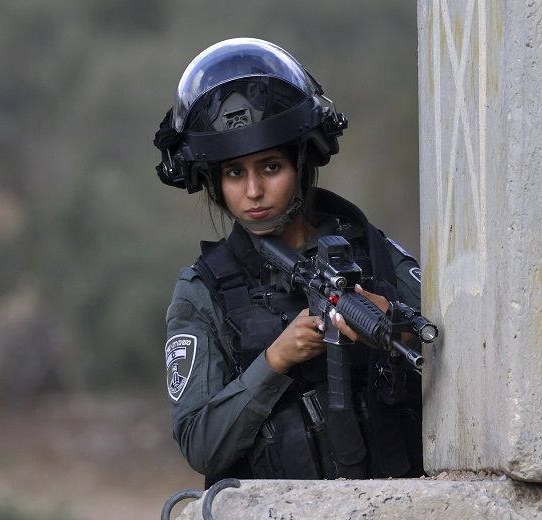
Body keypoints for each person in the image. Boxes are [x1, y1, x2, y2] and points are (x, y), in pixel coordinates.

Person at [153, 38, 424, 485]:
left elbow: (465, 351)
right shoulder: (202, 292)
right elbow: (200, 443)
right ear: (214, 181)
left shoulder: (370, 250)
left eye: (271, 167)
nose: (253, 191)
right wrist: (276, 360)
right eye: (234, 173)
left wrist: (397, 321)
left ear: (301, 162)